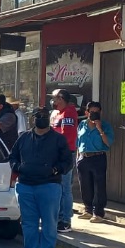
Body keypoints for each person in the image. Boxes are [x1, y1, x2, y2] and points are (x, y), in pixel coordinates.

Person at [10, 107, 74, 248]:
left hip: (49, 186)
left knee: (49, 222)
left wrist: (55, 169)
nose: (40, 118)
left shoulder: (58, 139)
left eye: (44, 115)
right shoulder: (23, 138)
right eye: (38, 116)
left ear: (48, 119)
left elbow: (67, 162)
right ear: (33, 119)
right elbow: (13, 156)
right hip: (25, 186)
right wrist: (18, 167)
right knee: (28, 222)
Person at [76, 101, 114, 223]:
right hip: (84, 157)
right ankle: (88, 209)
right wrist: (78, 157)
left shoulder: (105, 125)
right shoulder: (82, 124)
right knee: (85, 185)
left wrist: (99, 128)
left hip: (98, 156)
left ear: (100, 112)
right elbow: (78, 141)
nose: (94, 114)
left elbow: (108, 142)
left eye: (97, 112)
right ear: (86, 112)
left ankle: (98, 212)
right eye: (92, 112)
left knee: (99, 185)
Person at [49, 89, 79, 233]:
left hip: (65, 154)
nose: (53, 102)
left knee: (65, 188)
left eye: (55, 99)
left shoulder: (69, 113)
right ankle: (59, 217)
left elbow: (66, 136)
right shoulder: (58, 113)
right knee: (57, 187)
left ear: (61, 99)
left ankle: (65, 220)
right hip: (55, 153)